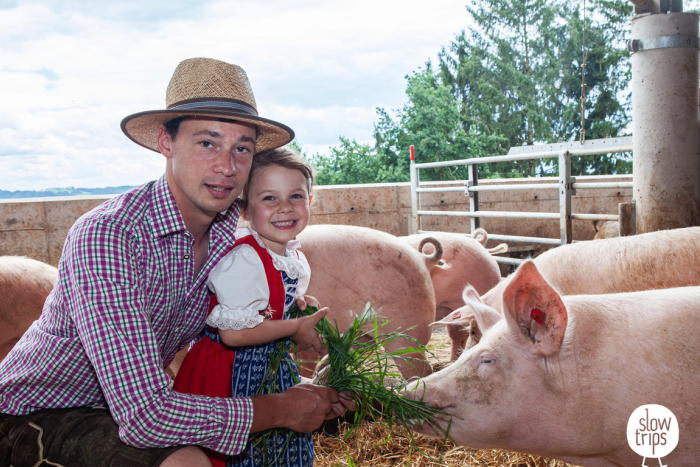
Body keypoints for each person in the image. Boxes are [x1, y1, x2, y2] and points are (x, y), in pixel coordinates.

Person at [0, 58, 350, 467]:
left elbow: (225, 337)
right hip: (38, 413)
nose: (227, 166)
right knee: (185, 462)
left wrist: (305, 386)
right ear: (166, 142)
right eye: (208, 143)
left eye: (242, 148)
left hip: (123, 407)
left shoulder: (226, 235)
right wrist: (281, 409)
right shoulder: (108, 236)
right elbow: (146, 416)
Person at [174, 147, 320, 467]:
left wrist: (295, 309)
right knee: (246, 455)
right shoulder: (244, 257)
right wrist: (294, 328)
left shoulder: (293, 258)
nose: (285, 207)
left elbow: (262, 313)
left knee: (281, 448)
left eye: (296, 196)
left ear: (310, 201)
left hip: (269, 363)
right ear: (244, 209)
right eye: (269, 198)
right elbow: (233, 333)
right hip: (231, 372)